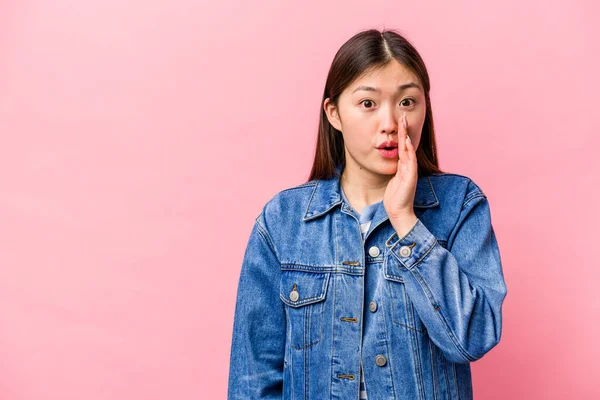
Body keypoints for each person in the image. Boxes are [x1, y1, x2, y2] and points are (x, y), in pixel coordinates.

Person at [227, 28, 507, 400]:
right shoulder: (283, 222)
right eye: (368, 104)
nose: (391, 123)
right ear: (334, 113)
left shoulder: (460, 206)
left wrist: (406, 221)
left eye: (407, 101)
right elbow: (253, 380)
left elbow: (473, 338)